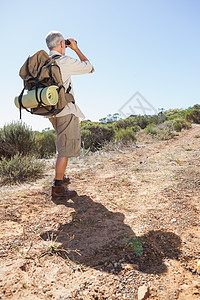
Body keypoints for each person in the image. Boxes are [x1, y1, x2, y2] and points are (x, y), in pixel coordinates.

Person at [45, 31, 94, 199]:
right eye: (64, 43)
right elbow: (89, 67)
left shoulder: (45, 62)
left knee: (62, 145)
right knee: (64, 150)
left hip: (51, 111)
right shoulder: (63, 61)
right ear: (61, 44)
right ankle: (58, 188)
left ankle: (61, 178)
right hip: (65, 110)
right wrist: (76, 48)